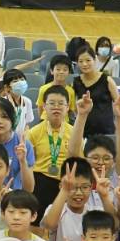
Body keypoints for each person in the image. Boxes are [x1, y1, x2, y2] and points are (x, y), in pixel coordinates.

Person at [27, 85, 74, 219]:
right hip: (40, 183)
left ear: (67, 107)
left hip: (65, 183)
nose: (56, 107)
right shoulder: (33, 133)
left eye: (61, 103)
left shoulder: (74, 133)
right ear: (44, 106)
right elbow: (29, 163)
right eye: (52, 103)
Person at [72, 45, 120, 138]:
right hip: (84, 131)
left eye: (88, 60)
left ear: (94, 60)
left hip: (106, 131)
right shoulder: (76, 82)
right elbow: (74, 107)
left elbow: (119, 104)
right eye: (80, 61)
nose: (84, 64)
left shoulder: (107, 80)